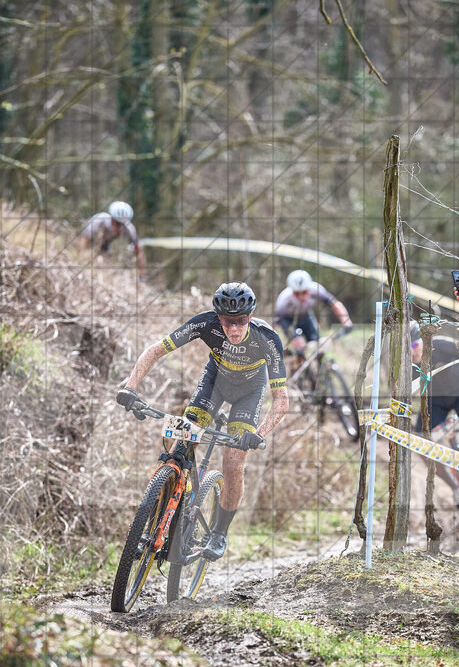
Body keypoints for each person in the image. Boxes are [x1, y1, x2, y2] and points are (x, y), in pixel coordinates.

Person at [117, 282, 289, 560]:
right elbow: (156, 350)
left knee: (233, 462)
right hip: (215, 383)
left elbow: (281, 399)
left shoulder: (267, 339)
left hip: (249, 393)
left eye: (241, 321)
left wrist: (259, 433)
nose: (234, 329)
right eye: (227, 322)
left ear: (251, 317)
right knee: (179, 447)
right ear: (217, 318)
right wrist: (130, 386)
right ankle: (155, 520)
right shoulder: (204, 324)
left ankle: (219, 532)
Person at [410, 320, 459, 507]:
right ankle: (456, 487)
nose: (413, 352)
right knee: (422, 446)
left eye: (415, 345)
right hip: (435, 402)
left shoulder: (440, 345)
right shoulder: (405, 366)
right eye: (407, 349)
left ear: (422, 342)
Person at [274, 269, 353, 365]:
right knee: (299, 344)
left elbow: (335, 304)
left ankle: (321, 373)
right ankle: (298, 365)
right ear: (292, 291)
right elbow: (275, 323)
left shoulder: (316, 289)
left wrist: (346, 321)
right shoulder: (284, 300)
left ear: (309, 288)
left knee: (318, 345)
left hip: (306, 317)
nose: (301, 297)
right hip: (287, 320)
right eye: (297, 293)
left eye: (304, 292)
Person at [81, 200, 146, 278]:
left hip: (105, 245)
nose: (118, 227)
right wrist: (81, 259)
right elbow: (84, 240)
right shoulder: (99, 221)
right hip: (91, 242)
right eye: (116, 222)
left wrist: (142, 272)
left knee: (105, 264)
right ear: (111, 217)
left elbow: (138, 249)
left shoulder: (129, 229)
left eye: (121, 224)